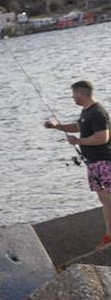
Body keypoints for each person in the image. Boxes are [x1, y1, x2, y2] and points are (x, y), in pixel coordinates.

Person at [45, 79, 111, 246]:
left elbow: (102, 137)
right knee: (104, 200)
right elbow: (79, 126)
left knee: (109, 199)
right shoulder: (86, 112)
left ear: (81, 94)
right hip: (94, 163)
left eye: (73, 94)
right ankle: (109, 235)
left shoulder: (97, 113)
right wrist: (57, 127)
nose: (72, 97)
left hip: (104, 162)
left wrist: (78, 141)